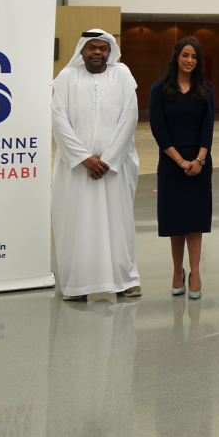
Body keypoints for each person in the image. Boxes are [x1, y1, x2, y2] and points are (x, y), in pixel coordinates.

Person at [51, 29, 140, 301]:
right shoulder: (67, 77)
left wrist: (109, 160)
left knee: (118, 223)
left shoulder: (122, 74)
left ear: (110, 51)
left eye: (103, 48)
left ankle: (125, 280)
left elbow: (130, 116)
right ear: (82, 50)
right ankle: (78, 284)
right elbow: (58, 120)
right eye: (92, 47)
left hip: (115, 168)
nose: (98, 52)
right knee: (77, 223)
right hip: (76, 169)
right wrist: (85, 159)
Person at [149, 37, 214, 299]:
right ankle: (178, 271)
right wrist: (180, 161)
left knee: (195, 221)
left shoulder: (206, 88)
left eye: (194, 56)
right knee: (176, 221)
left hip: (199, 164)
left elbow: (208, 128)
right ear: (177, 57)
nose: (190, 60)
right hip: (171, 164)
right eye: (185, 55)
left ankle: (195, 273)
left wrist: (198, 160)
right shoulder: (160, 89)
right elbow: (158, 130)